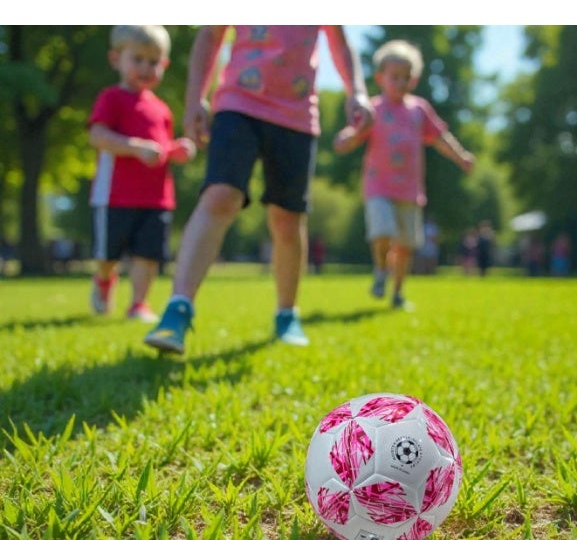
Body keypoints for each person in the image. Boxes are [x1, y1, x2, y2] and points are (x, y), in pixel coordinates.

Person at [145, 26, 373, 354]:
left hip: (296, 116)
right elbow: (210, 36)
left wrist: (357, 91)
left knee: (288, 218)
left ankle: (286, 313)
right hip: (238, 103)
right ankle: (177, 310)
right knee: (221, 195)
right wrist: (196, 98)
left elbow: (339, 41)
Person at [333, 39, 474, 309]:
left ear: (414, 79)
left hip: (409, 190)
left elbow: (441, 137)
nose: (400, 82)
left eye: (406, 78)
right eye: (394, 77)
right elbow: (354, 135)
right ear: (380, 78)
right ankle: (379, 270)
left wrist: (461, 156)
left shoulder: (419, 109)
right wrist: (345, 138)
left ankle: (397, 293)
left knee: (406, 246)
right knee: (382, 230)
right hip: (378, 186)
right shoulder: (372, 109)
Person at [88, 25, 196, 322]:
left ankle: (138, 303)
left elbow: (161, 149)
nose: (146, 68)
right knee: (108, 254)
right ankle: (104, 279)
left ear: (165, 65)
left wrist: (177, 150)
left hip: (156, 198)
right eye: (138, 59)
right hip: (114, 195)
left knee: (147, 254)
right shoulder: (111, 98)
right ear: (116, 59)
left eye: (154, 61)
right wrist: (135, 148)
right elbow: (97, 136)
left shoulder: (162, 110)